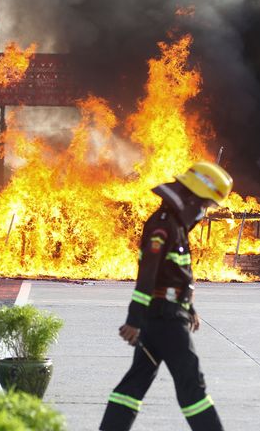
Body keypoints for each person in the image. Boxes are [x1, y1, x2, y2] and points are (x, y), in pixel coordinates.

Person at [99, 161, 232, 431]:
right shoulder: (163, 227)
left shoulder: (176, 226)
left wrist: (189, 308)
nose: (204, 212)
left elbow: (175, 274)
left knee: (136, 381)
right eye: (205, 205)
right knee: (191, 383)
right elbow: (148, 275)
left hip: (166, 314)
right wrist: (134, 320)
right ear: (191, 197)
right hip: (164, 320)